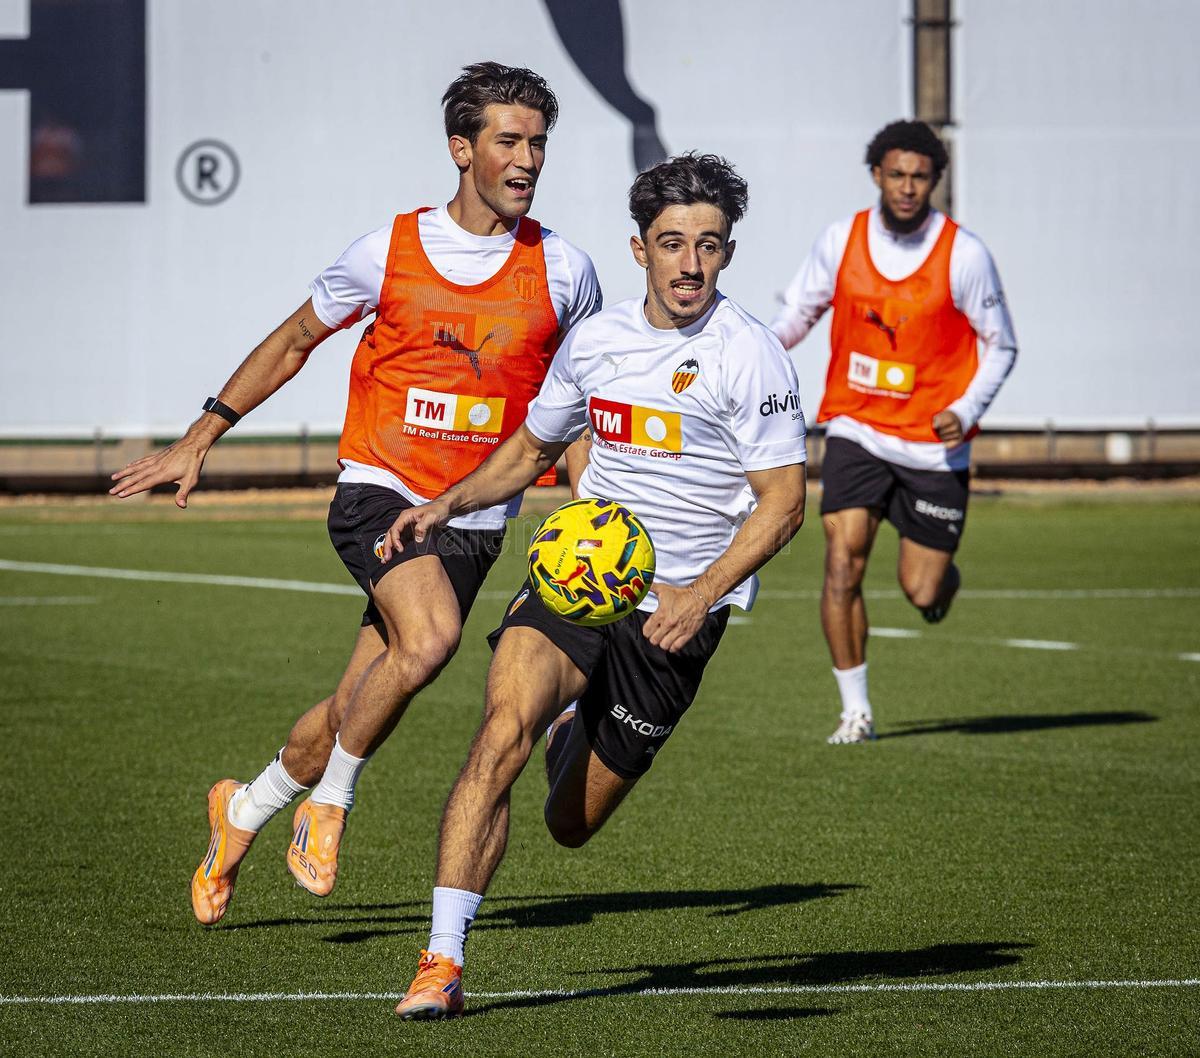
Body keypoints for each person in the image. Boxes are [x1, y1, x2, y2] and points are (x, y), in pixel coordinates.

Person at [109, 62, 601, 923]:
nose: (527, 160)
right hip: (380, 488)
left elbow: (578, 409)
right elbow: (295, 339)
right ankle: (330, 802)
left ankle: (243, 810)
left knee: (356, 700)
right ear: (462, 149)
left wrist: (587, 514)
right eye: (509, 141)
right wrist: (201, 435)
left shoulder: (566, 270)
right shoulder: (387, 252)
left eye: (538, 143)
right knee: (433, 638)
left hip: (474, 519)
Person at [382, 152, 808, 1020]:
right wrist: (448, 503)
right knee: (499, 734)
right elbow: (532, 449)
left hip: (678, 614)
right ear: (640, 249)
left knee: (570, 824)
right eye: (672, 243)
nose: (690, 264)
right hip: (576, 581)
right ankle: (442, 961)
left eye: (709, 246)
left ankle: (575, 725)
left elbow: (784, 503)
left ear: (728, 254)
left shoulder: (750, 356)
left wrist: (701, 594)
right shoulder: (597, 341)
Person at [770, 119, 1018, 745]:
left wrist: (967, 408)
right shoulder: (840, 240)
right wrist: (753, 358)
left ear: (935, 181)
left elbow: (1002, 345)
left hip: (934, 445)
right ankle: (855, 711)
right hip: (856, 428)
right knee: (841, 562)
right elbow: (797, 315)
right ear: (877, 174)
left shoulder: (964, 254)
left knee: (921, 589)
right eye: (897, 174)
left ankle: (942, 583)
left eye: (920, 177)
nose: (908, 187)